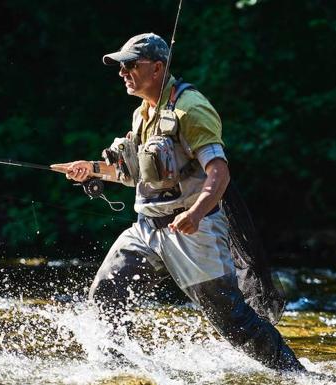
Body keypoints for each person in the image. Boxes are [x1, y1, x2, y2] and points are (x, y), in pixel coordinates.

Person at [57, 33, 305, 372]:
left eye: (130, 64)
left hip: (192, 232)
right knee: (106, 293)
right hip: (146, 228)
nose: (122, 72)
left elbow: (219, 172)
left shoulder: (192, 108)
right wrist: (92, 170)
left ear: (158, 68)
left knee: (233, 323)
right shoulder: (141, 114)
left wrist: (196, 212)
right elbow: (134, 173)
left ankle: (296, 375)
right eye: (120, 66)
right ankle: (119, 371)